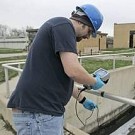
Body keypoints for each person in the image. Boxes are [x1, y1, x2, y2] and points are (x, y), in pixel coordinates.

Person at [7, 4, 104, 135]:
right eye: (89, 32)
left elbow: (61, 78)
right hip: (39, 113)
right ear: (84, 23)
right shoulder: (64, 26)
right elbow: (73, 70)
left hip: (39, 112)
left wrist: (83, 100)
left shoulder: (60, 28)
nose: (87, 37)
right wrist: (93, 81)